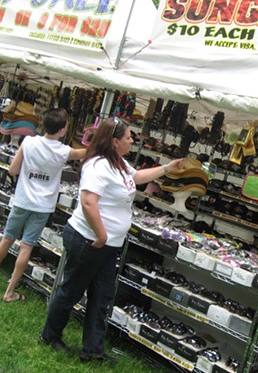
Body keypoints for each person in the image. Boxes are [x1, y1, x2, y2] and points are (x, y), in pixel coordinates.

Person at [40, 116, 183, 363]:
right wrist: (101, 234)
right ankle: (49, 336)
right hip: (89, 240)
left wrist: (167, 168)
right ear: (115, 141)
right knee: (72, 291)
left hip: (107, 245)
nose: (132, 140)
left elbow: (137, 177)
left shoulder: (119, 163)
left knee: (102, 297)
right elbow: (87, 201)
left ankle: (93, 351)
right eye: (128, 137)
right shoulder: (98, 166)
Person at [0, 108, 86, 303]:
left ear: (43, 125)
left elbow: (13, 169)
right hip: (42, 206)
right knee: (26, 247)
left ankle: (9, 291)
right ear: (63, 130)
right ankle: (10, 292)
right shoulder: (64, 151)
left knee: (7, 239)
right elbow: (87, 151)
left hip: (22, 199)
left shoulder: (29, 142)